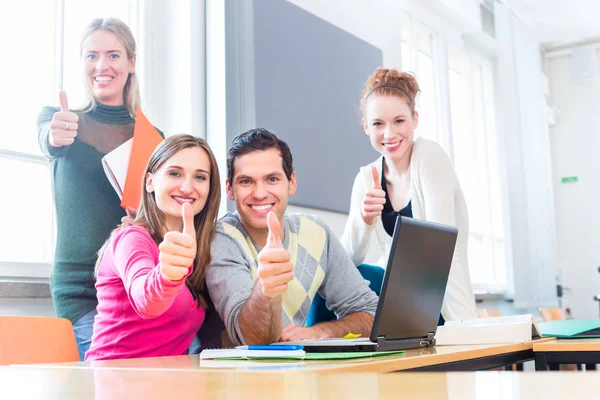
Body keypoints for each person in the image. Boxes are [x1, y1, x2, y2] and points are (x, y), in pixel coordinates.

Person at [36, 18, 158, 359]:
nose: (101, 66)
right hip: (81, 292)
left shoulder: (155, 139)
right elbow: (49, 139)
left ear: (131, 63)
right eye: (91, 56)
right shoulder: (62, 121)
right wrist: (53, 134)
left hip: (139, 288)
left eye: (113, 55)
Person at [206, 128, 378, 346]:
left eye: (272, 179)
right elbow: (254, 341)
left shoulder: (315, 232)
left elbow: (370, 313)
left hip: (293, 371)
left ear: (291, 182)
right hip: (230, 376)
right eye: (246, 182)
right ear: (230, 189)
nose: (259, 193)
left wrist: (321, 332)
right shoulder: (220, 239)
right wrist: (267, 288)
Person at [340, 68, 476, 322]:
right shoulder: (366, 178)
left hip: (435, 303)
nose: (389, 134)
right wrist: (364, 219)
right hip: (398, 298)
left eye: (399, 121)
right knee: (337, 280)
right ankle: (310, 348)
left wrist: (465, 327)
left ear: (415, 119)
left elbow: (442, 249)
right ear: (366, 126)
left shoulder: (429, 157)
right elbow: (348, 260)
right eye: (378, 124)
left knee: (365, 279)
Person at [85, 134, 221, 360]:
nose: (187, 187)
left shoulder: (202, 247)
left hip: (168, 383)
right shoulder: (131, 238)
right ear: (150, 182)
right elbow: (146, 301)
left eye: (199, 177)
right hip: (115, 383)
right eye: (174, 173)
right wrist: (167, 275)